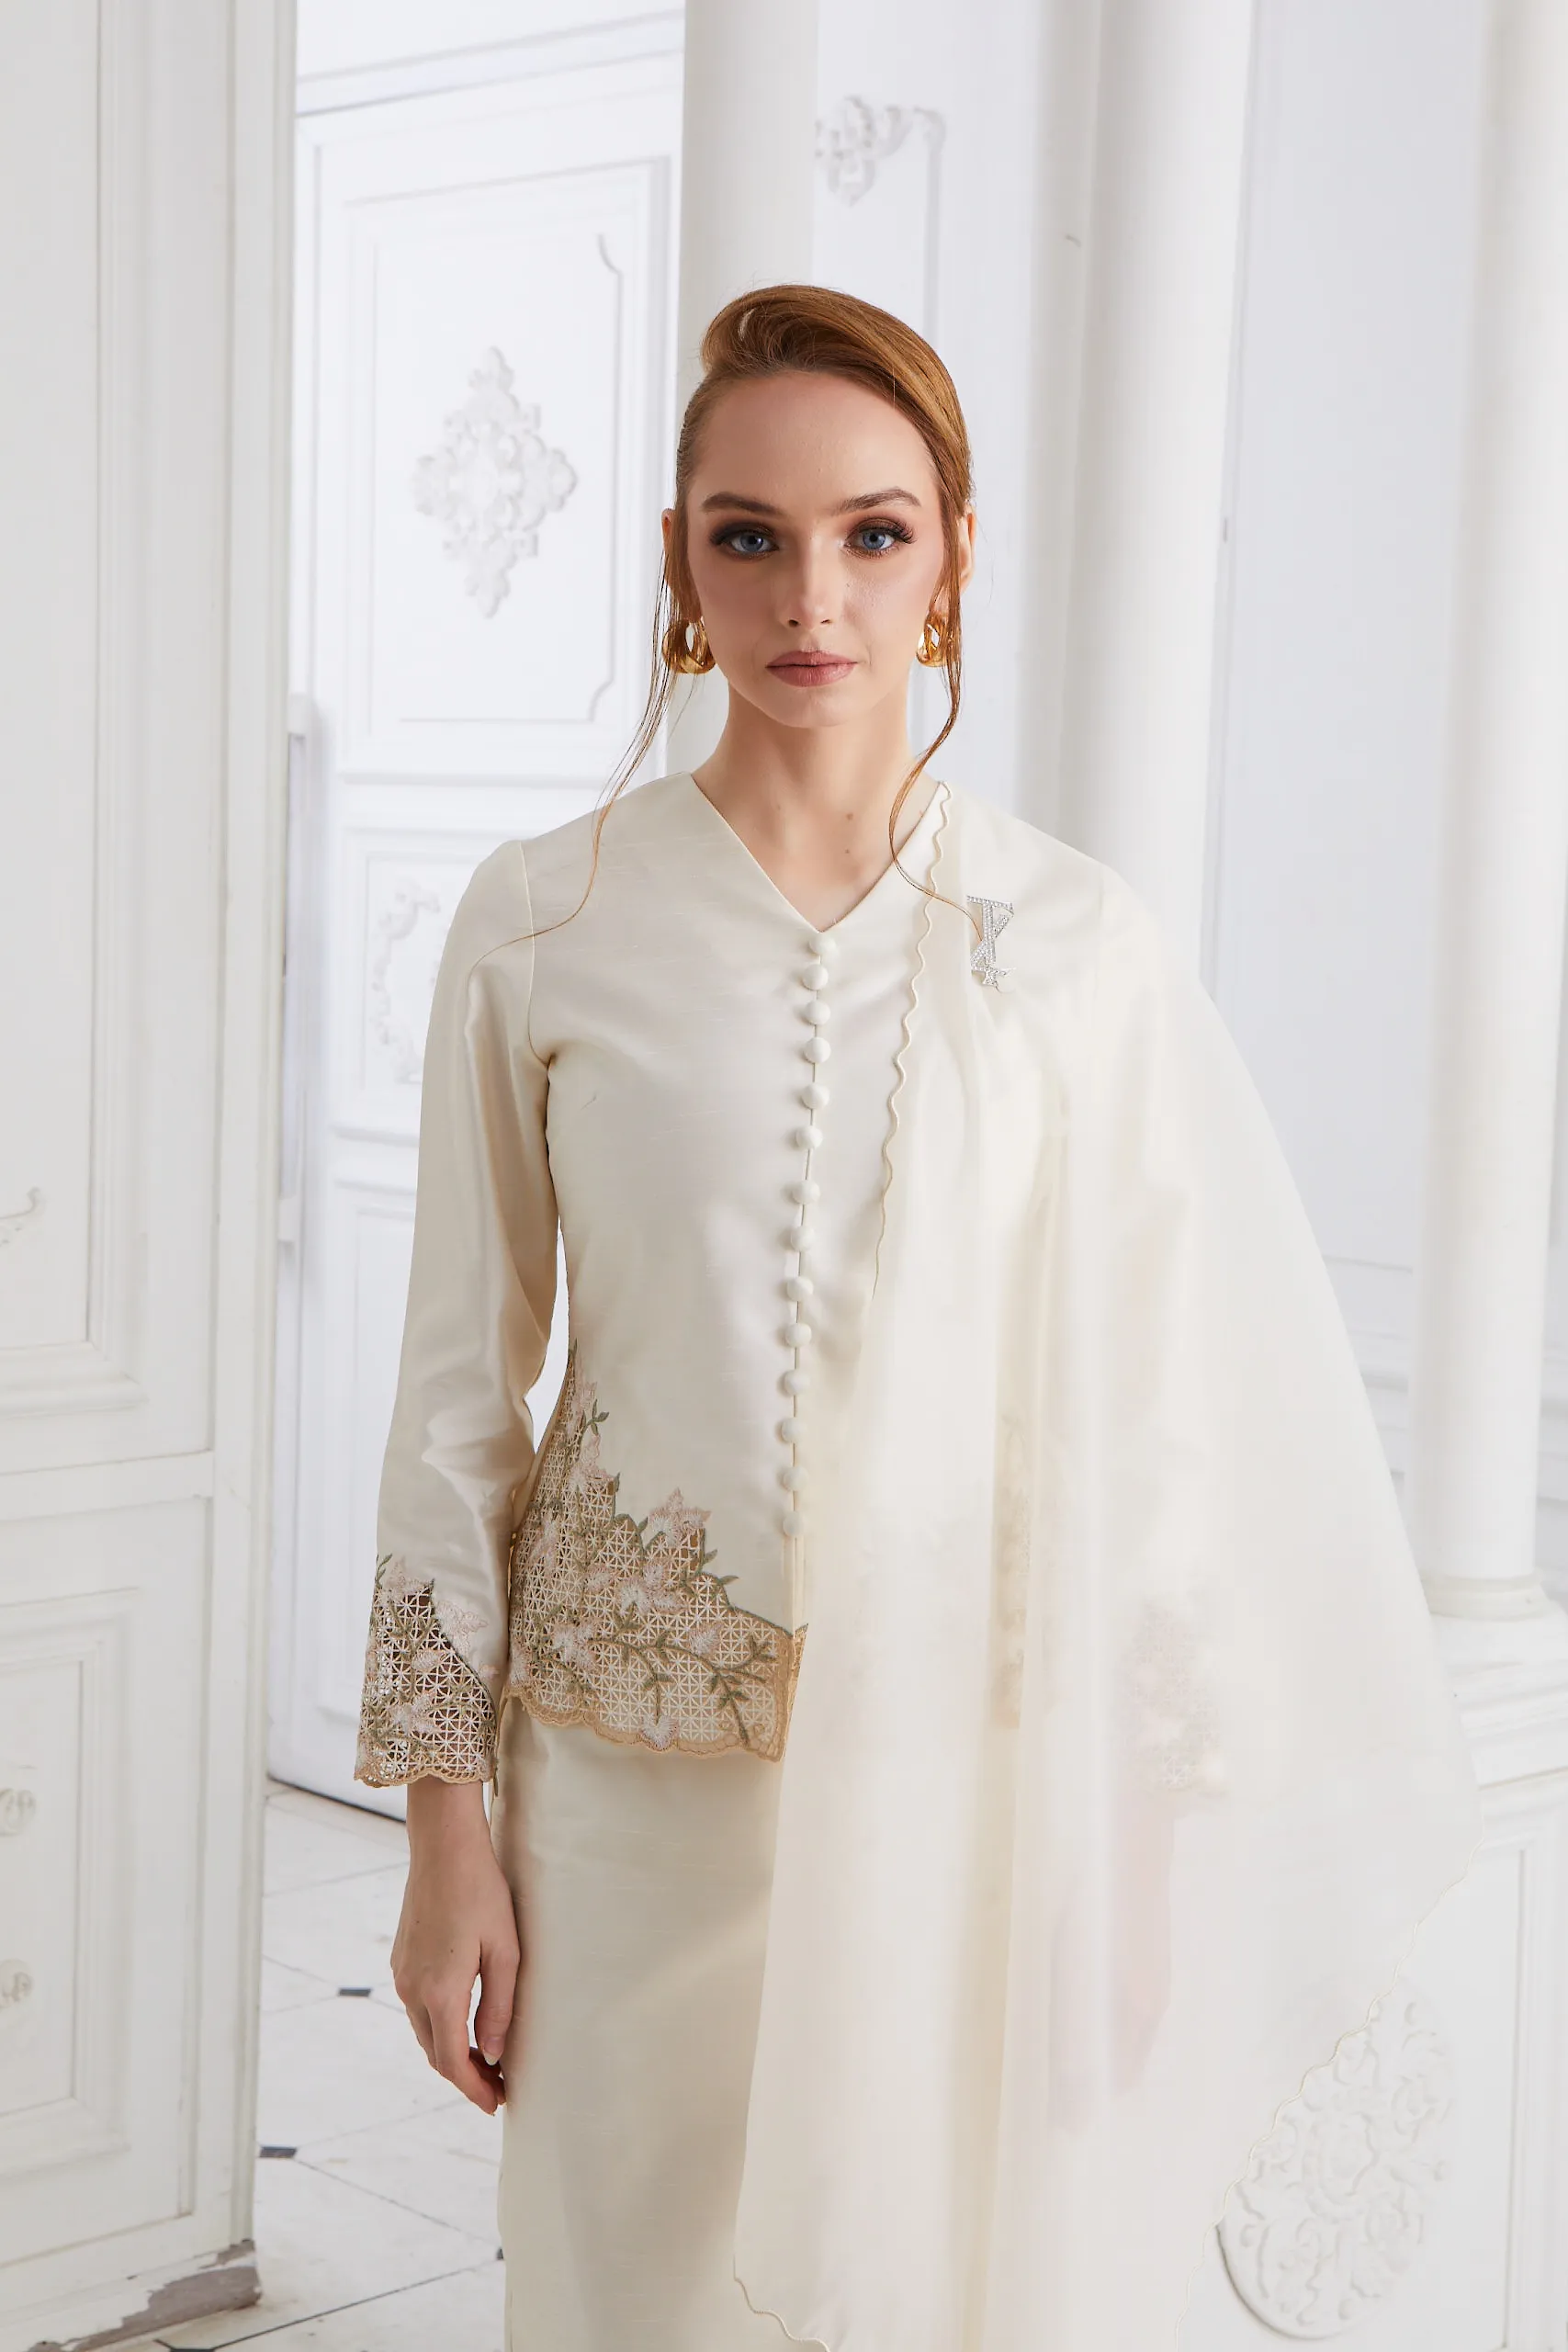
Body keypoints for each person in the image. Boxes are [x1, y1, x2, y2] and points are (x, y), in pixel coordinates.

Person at [355, 285, 1480, 2352]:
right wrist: (446, 1840)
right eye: (751, 535)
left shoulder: (1070, 945)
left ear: (954, 552)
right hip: (625, 1815)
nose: (815, 596)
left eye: (873, 532)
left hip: (973, 1806)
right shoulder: (544, 919)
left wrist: (1131, 1859)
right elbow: (456, 1407)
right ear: (680, 561)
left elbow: (1152, 1437)